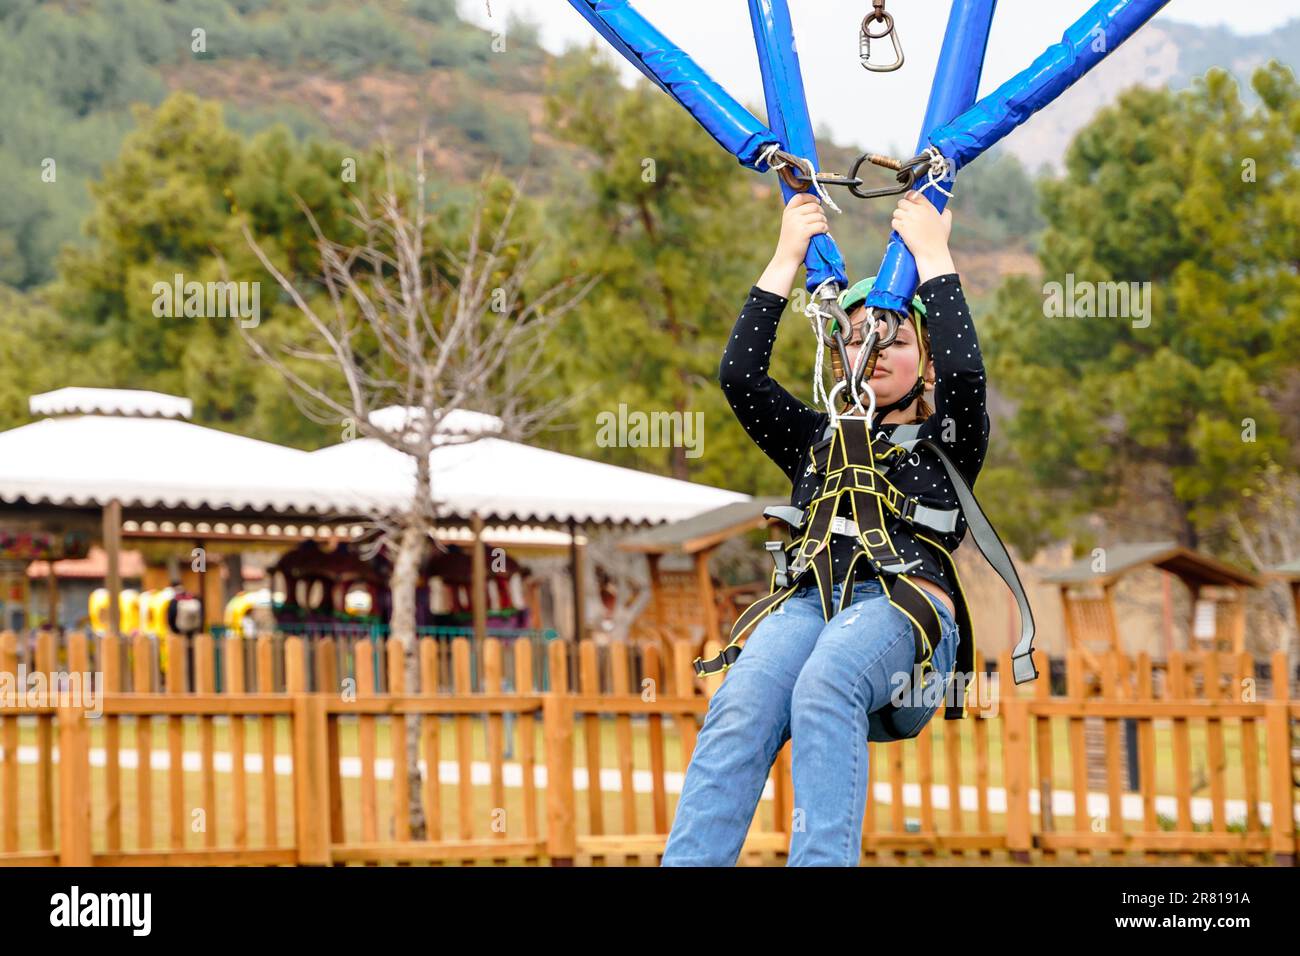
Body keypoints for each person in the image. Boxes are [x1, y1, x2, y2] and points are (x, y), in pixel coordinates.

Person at [661, 190, 988, 866]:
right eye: (863, 339)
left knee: (826, 682)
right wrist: (785, 258)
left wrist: (933, 256)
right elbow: (740, 377)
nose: (876, 351)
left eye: (896, 339)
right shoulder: (815, 437)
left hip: (905, 603)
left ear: (924, 363)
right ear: (840, 359)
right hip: (813, 601)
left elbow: (965, 374)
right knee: (742, 704)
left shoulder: (945, 439)